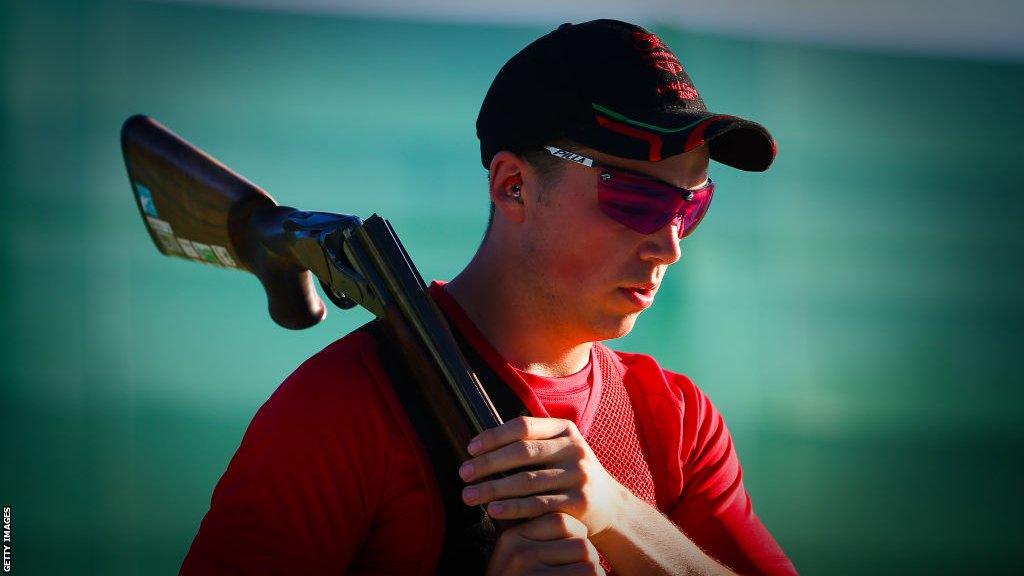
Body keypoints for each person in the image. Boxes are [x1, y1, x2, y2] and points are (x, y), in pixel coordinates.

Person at [180, 19, 797, 576]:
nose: (670, 245)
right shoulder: (340, 406)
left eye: (690, 206)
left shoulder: (679, 420)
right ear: (513, 186)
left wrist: (620, 516)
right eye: (638, 200)